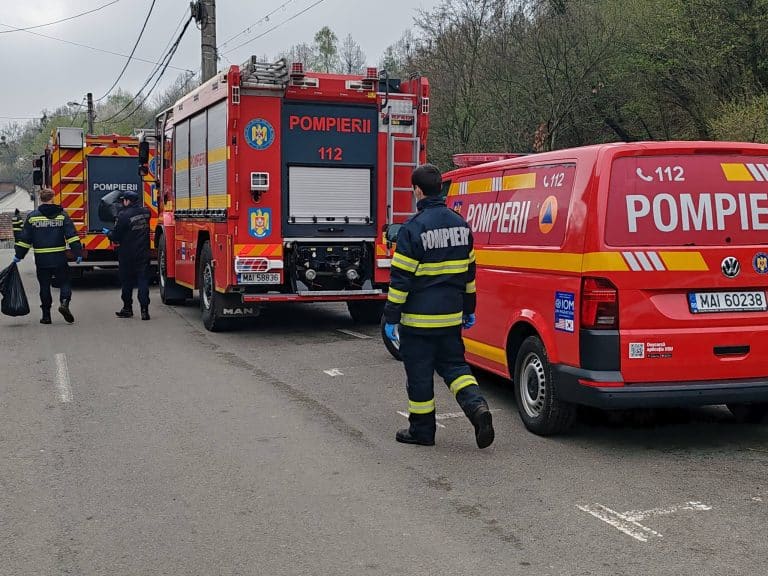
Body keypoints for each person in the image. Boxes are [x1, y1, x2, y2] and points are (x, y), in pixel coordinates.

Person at [383, 164, 494, 449]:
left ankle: (422, 431)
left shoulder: (412, 229)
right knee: (456, 368)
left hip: (418, 322)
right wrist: (469, 309)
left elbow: (401, 280)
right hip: (450, 318)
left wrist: (390, 317)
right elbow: (469, 275)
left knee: (419, 375)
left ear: (417, 191)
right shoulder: (461, 225)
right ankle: (477, 408)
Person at [13, 188, 82, 324]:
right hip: (59, 258)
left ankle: (46, 316)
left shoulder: (33, 217)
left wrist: (19, 255)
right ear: (53, 198)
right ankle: (64, 303)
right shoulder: (62, 215)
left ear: (40, 199)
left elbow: (25, 240)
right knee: (64, 282)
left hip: (42, 259)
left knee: (44, 286)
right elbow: (72, 236)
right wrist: (77, 252)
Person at [104, 190, 151, 320]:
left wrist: (108, 233)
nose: (122, 203)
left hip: (127, 254)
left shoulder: (123, 215)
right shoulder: (146, 212)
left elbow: (116, 236)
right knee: (143, 281)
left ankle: (127, 308)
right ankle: (144, 311)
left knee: (127, 282)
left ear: (128, 201)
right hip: (143, 253)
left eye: (123, 200)